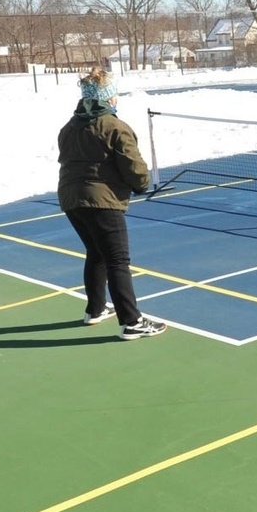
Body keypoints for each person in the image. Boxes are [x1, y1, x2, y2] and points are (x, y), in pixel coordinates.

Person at [58, 67, 167, 340]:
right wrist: (142, 185)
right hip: (101, 201)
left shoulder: (69, 127)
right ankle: (131, 322)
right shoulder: (115, 126)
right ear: (108, 98)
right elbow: (133, 165)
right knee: (118, 260)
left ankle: (95, 309)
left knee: (96, 253)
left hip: (71, 199)